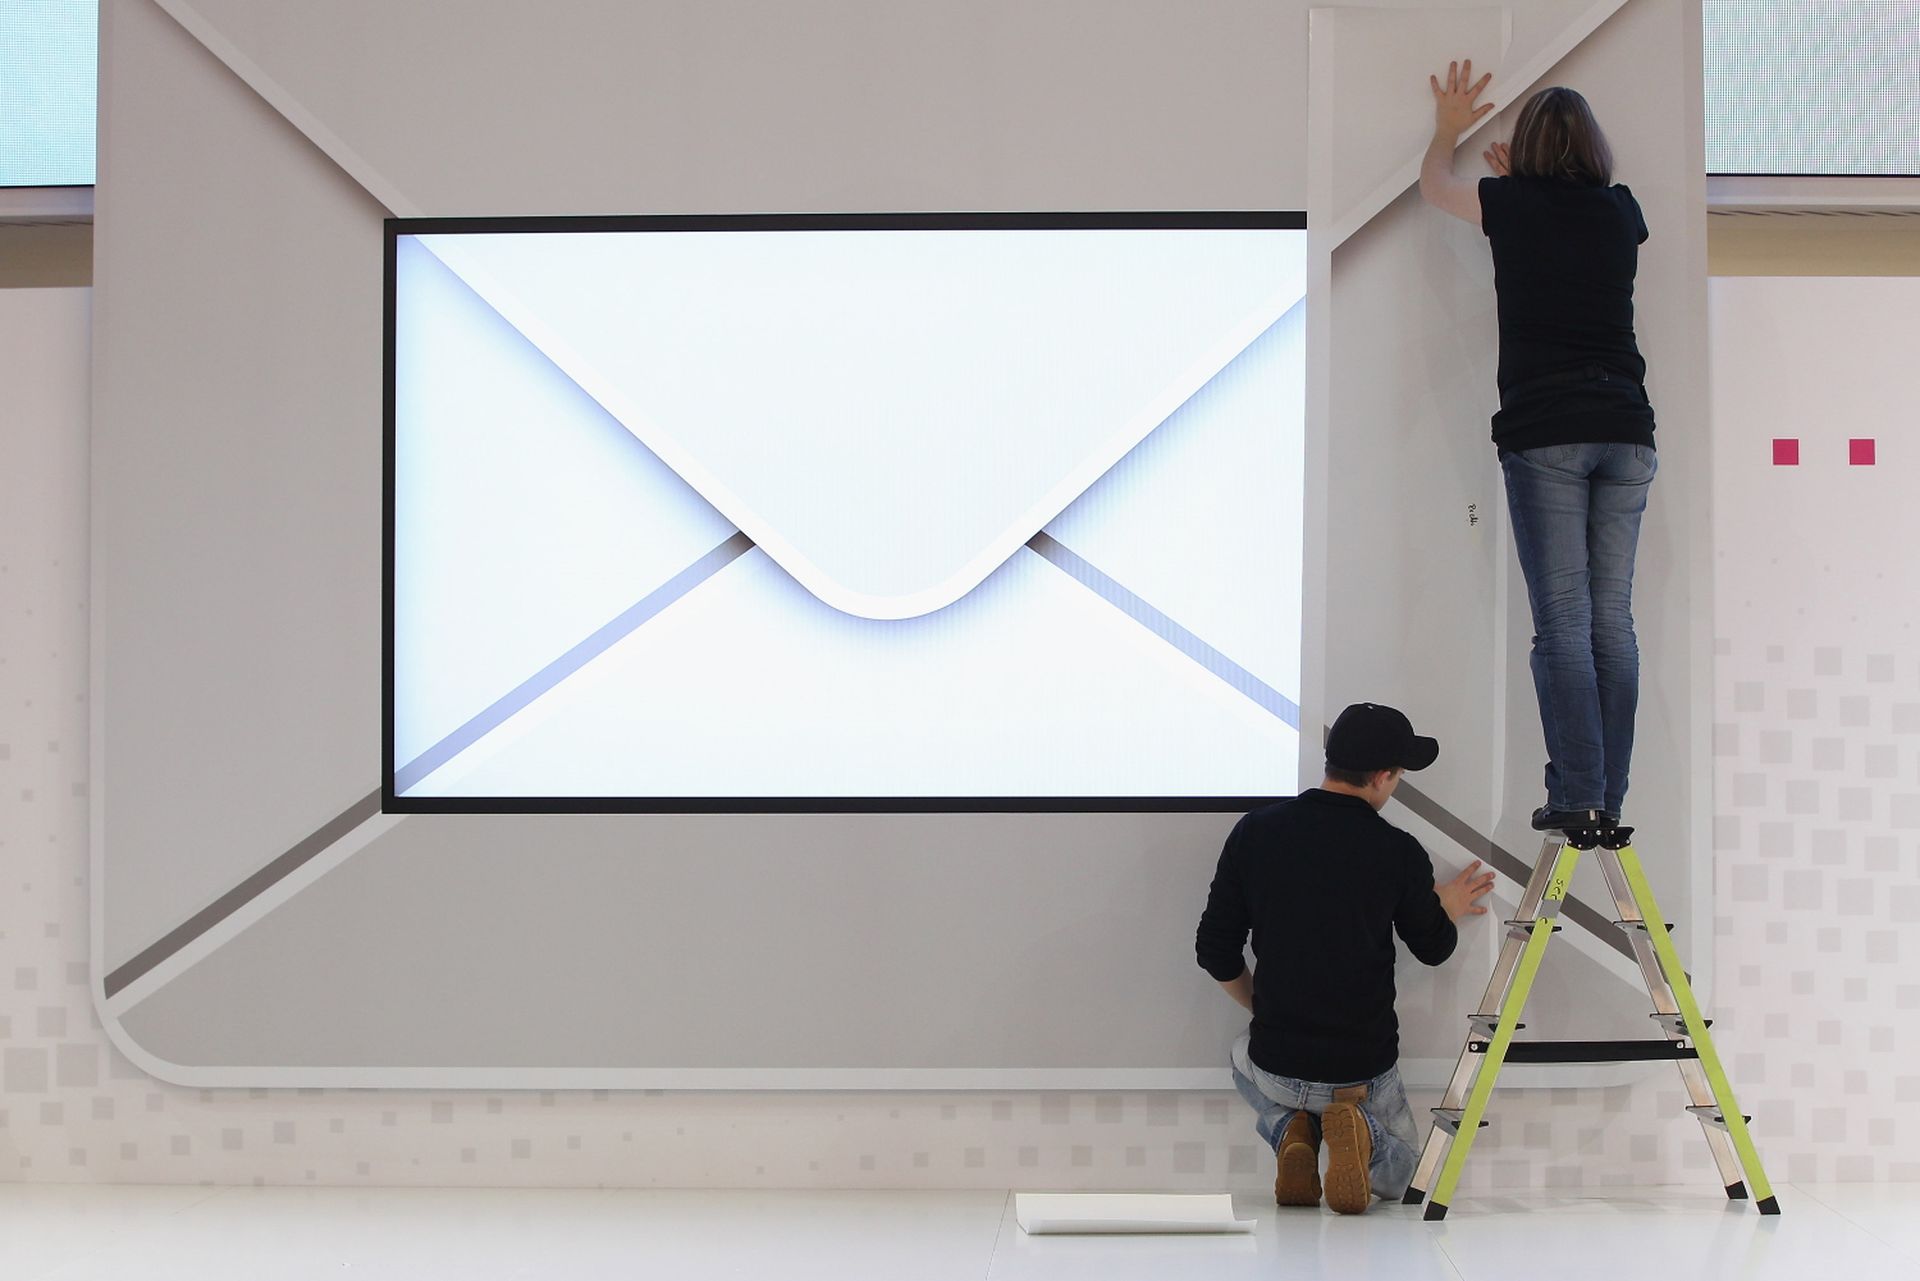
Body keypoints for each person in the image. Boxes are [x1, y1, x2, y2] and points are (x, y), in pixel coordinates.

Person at [1418, 61, 1658, 835]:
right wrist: (1518, 189)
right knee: (1609, 621)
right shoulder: (1622, 212)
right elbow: (1564, 219)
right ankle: (1604, 796)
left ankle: (1579, 792)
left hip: (1547, 428)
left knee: (1561, 619)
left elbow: (1432, 187)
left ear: (1523, 152)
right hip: (1626, 428)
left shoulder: (1508, 204)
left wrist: (1449, 130)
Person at [1195, 703, 1496, 1213]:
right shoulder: (1397, 850)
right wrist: (1438, 904)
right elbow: (1436, 948)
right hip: (1363, 1070)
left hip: (1277, 1063)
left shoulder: (1255, 832)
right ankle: (1362, 1135)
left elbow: (1214, 949)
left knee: (1240, 1057)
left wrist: (1262, 1008)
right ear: (1382, 778)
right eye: (1398, 776)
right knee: (1406, 1178)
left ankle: (1289, 1126)